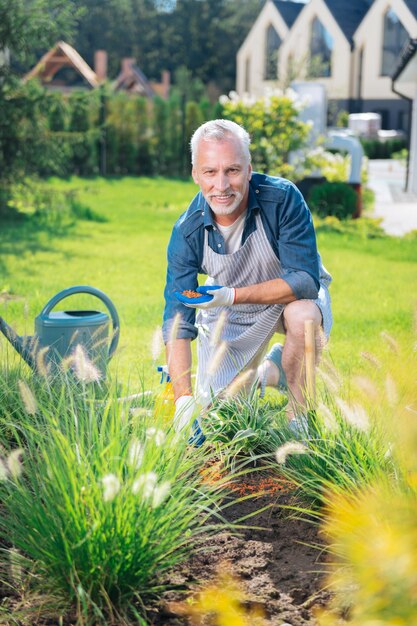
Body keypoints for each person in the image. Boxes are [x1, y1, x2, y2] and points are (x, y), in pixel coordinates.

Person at [162, 119, 332, 444]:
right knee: (222, 415)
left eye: (233, 170)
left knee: (304, 315)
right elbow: (177, 320)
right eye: (210, 172)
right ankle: (274, 371)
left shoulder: (282, 199)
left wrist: (230, 295)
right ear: (195, 174)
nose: (222, 185)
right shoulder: (187, 231)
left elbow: (306, 281)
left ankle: (298, 419)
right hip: (232, 314)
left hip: (286, 299)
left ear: (249, 169)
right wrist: (182, 400)